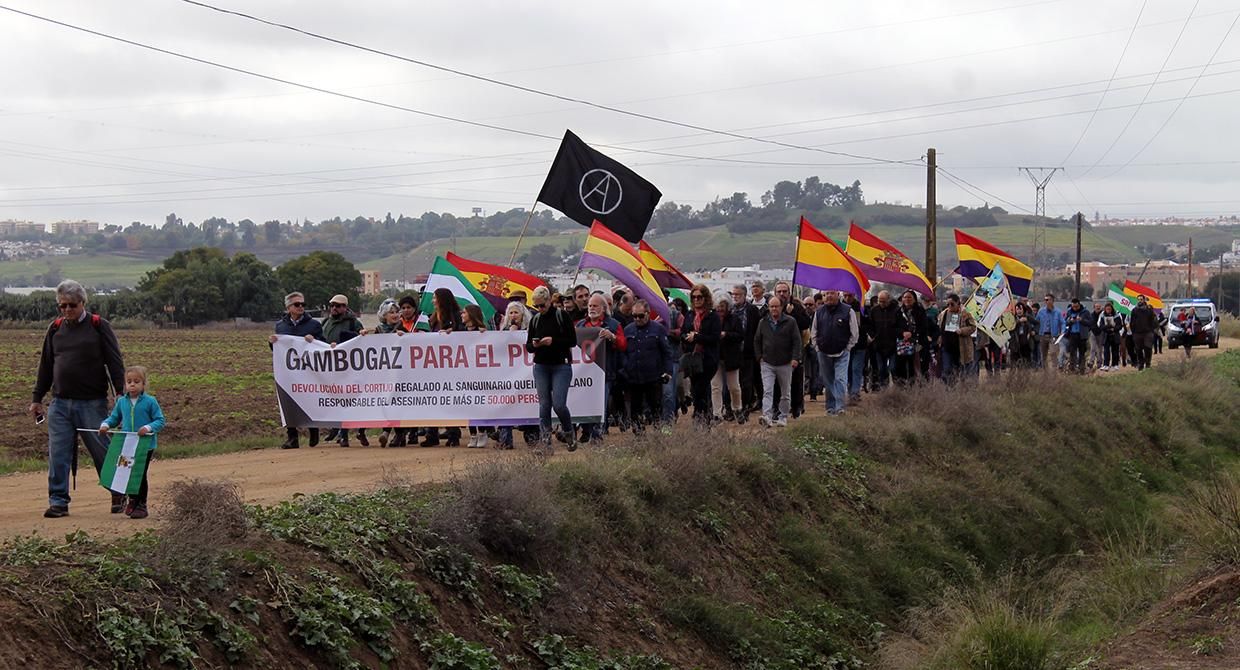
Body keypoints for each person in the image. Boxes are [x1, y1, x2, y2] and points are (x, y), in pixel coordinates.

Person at [30, 280, 126, 519]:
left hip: (92, 403)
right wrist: (37, 398)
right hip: (60, 404)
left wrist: (122, 396)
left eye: (71, 305)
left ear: (83, 302)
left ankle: (118, 493)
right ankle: (58, 502)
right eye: (61, 306)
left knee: (102, 450)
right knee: (59, 453)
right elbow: (46, 366)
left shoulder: (98, 326)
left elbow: (115, 363)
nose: (66, 310)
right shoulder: (55, 329)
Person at [98, 365, 165, 520]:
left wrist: (148, 427)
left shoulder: (150, 402)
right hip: (126, 445)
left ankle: (141, 504)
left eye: (136, 381)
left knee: (139, 474)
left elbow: (160, 421)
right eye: (129, 381)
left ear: (143, 384)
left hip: (144, 445)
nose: (132, 384)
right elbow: (114, 418)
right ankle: (131, 500)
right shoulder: (122, 402)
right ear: (125, 384)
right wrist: (105, 425)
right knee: (125, 472)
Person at [526, 286, 578, 450]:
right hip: (541, 365)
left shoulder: (561, 316)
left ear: (549, 301)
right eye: (537, 306)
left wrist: (553, 341)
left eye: (543, 305)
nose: (540, 309)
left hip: (560, 364)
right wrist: (536, 344)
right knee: (544, 404)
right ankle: (546, 440)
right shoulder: (535, 320)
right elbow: (528, 346)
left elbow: (572, 341)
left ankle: (569, 432)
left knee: (559, 404)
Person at [270, 292, 322, 450]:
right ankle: (292, 437)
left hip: (309, 370)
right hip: (289, 372)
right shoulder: (280, 326)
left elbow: (323, 345)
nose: (301, 307)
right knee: (288, 401)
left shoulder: (314, 325)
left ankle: (314, 429)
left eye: (302, 305)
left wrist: (313, 341)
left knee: (310, 398)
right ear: (288, 307)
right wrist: (272, 343)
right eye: (297, 305)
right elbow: (278, 350)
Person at [576, 294, 626, 443]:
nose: (591, 308)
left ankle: (597, 434)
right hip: (584, 372)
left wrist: (612, 337)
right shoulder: (580, 325)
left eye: (595, 305)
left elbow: (623, 345)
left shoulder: (614, 325)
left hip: (604, 371)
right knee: (584, 403)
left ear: (604, 308)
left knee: (600, 404)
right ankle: (586, 431)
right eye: (590, 305)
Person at [320, 294, 369, 447]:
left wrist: (360, 334)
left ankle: (355, 431)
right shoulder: (326, 322)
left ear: (345, 308)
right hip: (331, 366)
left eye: (338, 305)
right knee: (338, 400)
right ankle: (341, 432)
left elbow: (361, 337)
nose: (334, 308)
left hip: (349, 366)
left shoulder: (352, 322)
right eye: (332, 305)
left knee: (352, 400)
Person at [622, 300, 674, 434]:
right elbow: (623, 352)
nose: (637, 319)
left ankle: (658, 432)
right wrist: (625, 368)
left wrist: (668, 371)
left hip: (653, 376)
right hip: (634, 377)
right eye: (634, 316)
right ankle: (639, 435)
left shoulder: (658, 329)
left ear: (648, 314)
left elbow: (667, 352)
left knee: (655, 406)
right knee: (635, 409)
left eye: (640, 316)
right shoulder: (628, 330)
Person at [423, 288, 466, 447]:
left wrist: (452, 332)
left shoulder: (456, 316)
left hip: (451, 365)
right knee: (432, 400)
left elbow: (465, 334)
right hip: (434, 364)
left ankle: (453, 433)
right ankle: (431, 434)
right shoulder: (433, 317)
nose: (433, 301)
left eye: (435, 298)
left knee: (450, 400)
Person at [753, 296, 801, 427]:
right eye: (771, 306)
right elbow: (757, 340)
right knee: (767, 390)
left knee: (785, 392)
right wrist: (759, 357)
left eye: (776, 306)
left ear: (782, 307)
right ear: (768, 307)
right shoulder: (763, 322)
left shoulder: (790, 322)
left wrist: (795, 358)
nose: (774, 309)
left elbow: (797, 341)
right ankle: (767, 416)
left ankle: (783, 416)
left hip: (785, 363)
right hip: (767, 363)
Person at [812, 291, 859, 415]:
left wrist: (848, 347)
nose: (829, 296)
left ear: (838, 295)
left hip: (842, 352)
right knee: (828, 381)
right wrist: (817, 347)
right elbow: (814, 331)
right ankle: (830, 407)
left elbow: (854, 332)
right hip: (823, 352)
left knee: (840, 379)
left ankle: (840, 407)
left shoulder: (848, 311)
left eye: (832, 293)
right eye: (826, 294)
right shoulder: (819, 312)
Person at [682, 284, 721, 426]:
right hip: (692, 358)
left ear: (706, 298)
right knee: (695, 389)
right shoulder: (690, 315)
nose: (697, 300)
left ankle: (701, 418)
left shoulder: (713, 316)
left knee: (701, 388)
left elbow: (715, 338)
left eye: (700, 297)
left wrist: (697, 337)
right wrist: (686, 337)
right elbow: (682, 332)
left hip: (708, 358)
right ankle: (703, 416)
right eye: (694, 297)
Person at [373, 300, 411, 448]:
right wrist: (363, 335)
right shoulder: (378, 330)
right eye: (391, 312)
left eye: (396, 312)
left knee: (396, 402)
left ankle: (391, 432)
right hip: (384, 373)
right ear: (384, 315)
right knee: (386, 402)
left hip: (400, 373)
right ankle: (395, 433)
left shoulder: (402, 329)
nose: (395, 315)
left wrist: (404, 337)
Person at [774, 282, 812, 418]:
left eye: (784, 291)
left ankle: (797, 406)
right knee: (777, 382)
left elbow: (805, 323)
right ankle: (778, 408)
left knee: (796, 381)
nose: (782, 294)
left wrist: (793, 313)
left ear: (789, 293)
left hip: (794, 350)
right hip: (777, 350)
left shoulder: (796, 306)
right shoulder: (772, 307)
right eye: (779, 291)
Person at [496, 301, 531, 450]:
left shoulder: (530, 329)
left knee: (529, 405)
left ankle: (532, 436)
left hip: (526, 375)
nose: (513, 315)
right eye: (510, 313)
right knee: (506, 405)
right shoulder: (503, 331)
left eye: (516, 312)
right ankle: (505, 439)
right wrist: (510, 332)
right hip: (507, 375)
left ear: (523, 314)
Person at [460, 305, 494, 448]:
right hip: (465, 373)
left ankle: (482, 432)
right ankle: (472, 434)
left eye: (464, 312)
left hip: (480, 374)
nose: (462, 314)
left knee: (479, 403)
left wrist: (485, 334)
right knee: (469, 404)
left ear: (472, 315)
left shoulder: (483, 331)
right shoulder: (460, 332)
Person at [731, 284, 762, 419]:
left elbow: (757, 331)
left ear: (744, 295)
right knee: (733, 383)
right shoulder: (730, 310)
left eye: (738, 294)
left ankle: (745, 407)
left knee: (746, 382)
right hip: (732, 353)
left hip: (748, 352)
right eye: (734, 294)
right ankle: (732, 408)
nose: (735, 297)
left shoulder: (752, 310)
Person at [712, 293, 743, 423]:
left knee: (734, 387)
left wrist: (726, 334)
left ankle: (737, 409)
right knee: (715, 386)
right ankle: (717, 413)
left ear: (728, 306)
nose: (720, 309)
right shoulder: (712, 318)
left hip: (731, 358)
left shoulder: (735, 319)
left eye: (722, 306)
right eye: (718, 306)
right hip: (715, 357)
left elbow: (740, 335)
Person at [936, 293, 977, 383]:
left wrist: (962, 330)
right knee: (946, 369)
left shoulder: (965, 314)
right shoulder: (943, 314)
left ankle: (958, 387)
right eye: (947, 304)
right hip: (946, 347)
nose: (949, 306)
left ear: (958, 303)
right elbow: (939, 328)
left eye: (952, 304)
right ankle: (948, 388)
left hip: (961, 347)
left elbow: (973, 327)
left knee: (959, 369)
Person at [868, 290, 901, 390]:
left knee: (893, 368)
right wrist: (873, 336)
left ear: (889, 300)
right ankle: (883, 388)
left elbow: (900, 325)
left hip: (893, 345)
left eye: (884, 301)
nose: (881, 304)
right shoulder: (874, 311)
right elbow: (870, 325)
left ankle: (897, 387)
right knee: (881, 369)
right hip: (879, 344)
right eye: (880, 301)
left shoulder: (896, 310)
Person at [894, 290, 927, 384]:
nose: (907, 299)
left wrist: (912, 333)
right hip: (902, 343)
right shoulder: (898, 312)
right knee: (900, 367)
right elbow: (894, 327)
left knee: (915, 367)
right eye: (905, 297)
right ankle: (901, 386)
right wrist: (902, 333)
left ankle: (914, 387)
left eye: (909, 297)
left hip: (917, 343)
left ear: (914, 299)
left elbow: (924, 327)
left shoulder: (920, 311)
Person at [842, 292, 869, 404]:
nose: (848, 298)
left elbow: (868, 323)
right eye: (845, 296)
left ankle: (855, 393)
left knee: (856, 368)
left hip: (860, 344)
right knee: (847, 369)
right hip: (845, 344)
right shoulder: (840, 308)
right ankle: (849, 391)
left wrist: (867, 333)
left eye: (850, 296)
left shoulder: (862, 307)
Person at [1063, 298, 1093, 374]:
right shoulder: (1069, 311)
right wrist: (1070, 321)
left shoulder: (1085, 312)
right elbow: (1065, 322)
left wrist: (1081, 320)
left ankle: (1081, 369)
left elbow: (1090, 322)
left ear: (1079, 305)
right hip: (1072, 334)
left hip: (1082, 335)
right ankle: (1072, 369)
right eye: (1073, 306)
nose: (1075, 308)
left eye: (1076, 306)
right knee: (1072, 352)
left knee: (1082, 352)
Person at [1037, 295, 1065, 371]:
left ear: (1052, 301)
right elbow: (1036, 322)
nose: (1046, 301)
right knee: (1043, 355)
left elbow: (1062, 322)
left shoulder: (1058, 312)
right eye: (1045, 300)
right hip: (1043, 335)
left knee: (1053, 353)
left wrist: (1062, 331)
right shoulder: (1041, 311)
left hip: (1053, 336)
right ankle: (1045, 372)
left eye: (1048, 300)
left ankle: (1054, 371)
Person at [1129, 295, 1157, 370]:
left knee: (1148, 348)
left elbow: (1153, 321)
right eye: (1138, 299)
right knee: (1138, 350)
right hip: (1137, 333)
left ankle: (1148, 363)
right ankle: (1140, 364)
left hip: (1147, 332)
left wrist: (1151, 330)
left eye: (1141, 299)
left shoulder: (1149, 310)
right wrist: (1134, 332)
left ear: (1144, 300)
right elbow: (1132, 322)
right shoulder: (1134, 310)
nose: (1140, 301)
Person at [1009, 302, 1040, 368]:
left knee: (1027, 363)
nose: (1019, 311)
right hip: (1015, 344)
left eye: (1020, 309)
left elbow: (1037, 324)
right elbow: (1010, 328)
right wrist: (1018, 321)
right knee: (1015, 363)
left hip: (1026, 343)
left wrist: (1034, 331)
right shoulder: (1012, 318)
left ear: (1023, 310)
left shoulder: (1028, 317)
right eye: (1017, 309)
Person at [1096, 303, 1125, 371]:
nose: (1108, 310)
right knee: (1106, 351)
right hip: (1106, 335)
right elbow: (1100, 325)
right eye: (1107, 309)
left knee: (1115, 350)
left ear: (1112, 309)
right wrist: (1107, 327)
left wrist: (1114, 328)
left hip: (1114, 335)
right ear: (1105, 309)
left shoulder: (1117, 315)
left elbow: (1120, 325)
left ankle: (1115, 364)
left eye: (1109, 309)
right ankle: (1106, 364)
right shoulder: (1102, 315)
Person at [1089, 303, 1106, 371]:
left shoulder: (1103, 314)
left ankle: (1099, 363)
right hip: (1093, 333)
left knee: (1100, 349)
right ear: (1094, 307)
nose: (1098, 308)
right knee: (1093, 348)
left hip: (1100, 333)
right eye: (1096, 306)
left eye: (1099, 306)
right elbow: (1090, 324)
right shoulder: (1091, 315)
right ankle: (1091, 362)